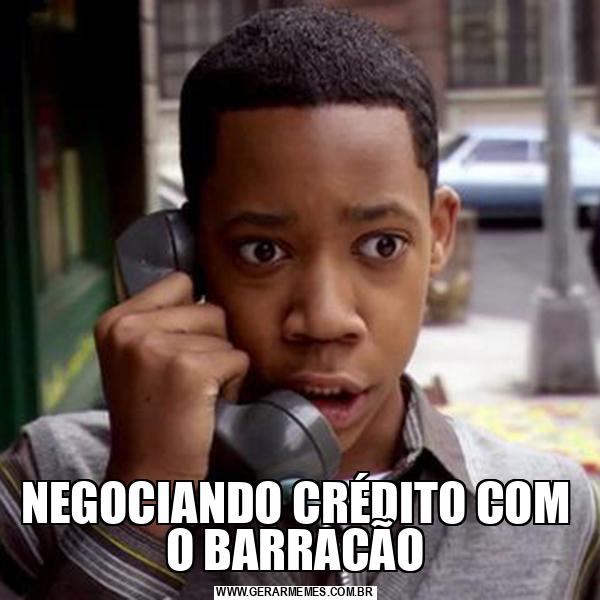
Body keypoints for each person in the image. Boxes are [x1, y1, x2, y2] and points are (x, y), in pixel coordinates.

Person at [1, 6, 599, 599]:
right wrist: (143, 504)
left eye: (382, 245)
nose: (324, 319)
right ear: (184, 253)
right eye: (263, 251)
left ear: (439, 233)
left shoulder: (557, 522)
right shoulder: (44, 486)